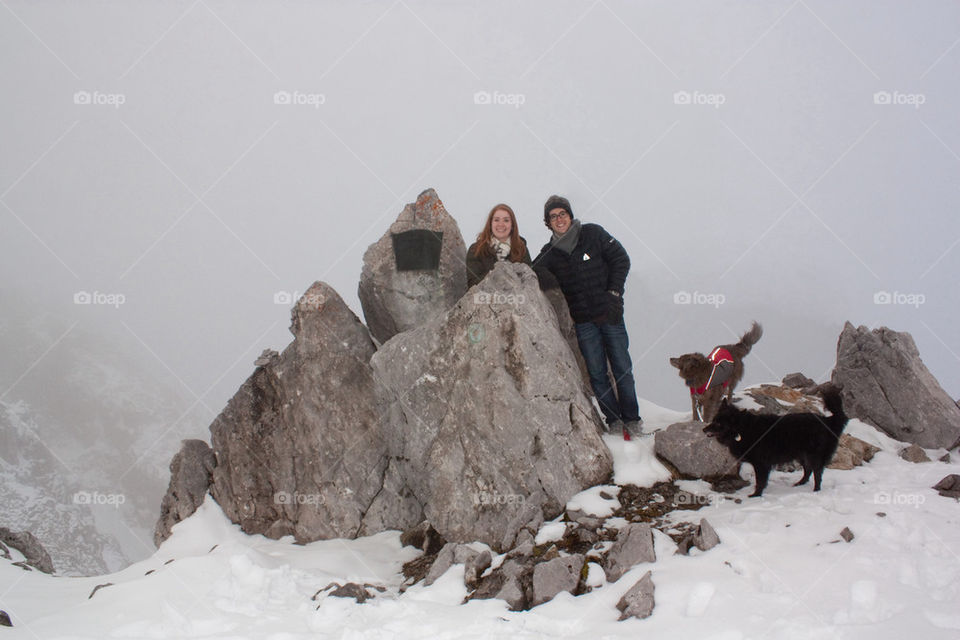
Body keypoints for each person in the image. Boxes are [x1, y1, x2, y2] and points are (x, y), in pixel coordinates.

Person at [532, 195, 642, 437]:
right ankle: (614, 421)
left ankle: (632, 420)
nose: (559, 219)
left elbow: (621, 259)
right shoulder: (550, 253)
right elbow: (532, 271)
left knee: (622, 368)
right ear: (548, 223)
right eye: (553, 216)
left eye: (562, 214)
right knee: (596, 374)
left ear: (570, 215)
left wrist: (614, 293)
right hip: (583, 322)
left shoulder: (593, 233)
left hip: (610, 314)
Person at [465, 203, 532, 287]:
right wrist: (498, 274)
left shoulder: (521, 249)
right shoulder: (476, 249)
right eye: (496, 220)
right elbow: (472, 283)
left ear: (512, 225)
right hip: (485, 295)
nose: (501, 224)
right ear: (490, 224)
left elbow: (528, 280)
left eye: (506, 220)